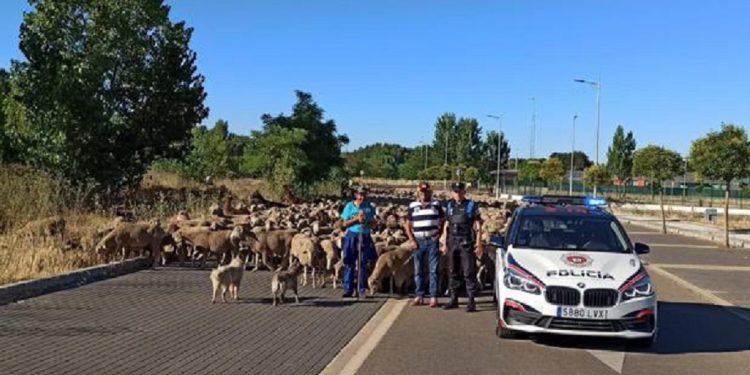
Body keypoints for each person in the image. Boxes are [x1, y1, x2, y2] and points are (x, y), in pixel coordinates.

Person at [441, 181, 483, 312]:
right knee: (453, 271)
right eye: (455, 191)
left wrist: (479, 243)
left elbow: (478, 226)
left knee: (468, 271)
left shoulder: (471, 205)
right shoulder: (449, 205)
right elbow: (446, 224)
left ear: (464, 192)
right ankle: (454, 298)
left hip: (466, 241)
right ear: (452, 193)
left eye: (459, 191)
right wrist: (443, 242)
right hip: (453, 241)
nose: (457, 194)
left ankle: (471, 300)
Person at [404, 182, 444, 308]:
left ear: (430, 193)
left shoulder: (436, 205)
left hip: (432, 240)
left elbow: (443, 221)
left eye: (426, 192)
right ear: (418, 193)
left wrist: (439, 234)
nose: (423, 194)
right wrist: (412, 239)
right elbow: (407, 224)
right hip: (418, 241)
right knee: (418, 270)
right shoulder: (412, 206)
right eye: (421, 192)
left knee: (433, 270)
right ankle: (419, 295)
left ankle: (433, 297)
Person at [339, 185, 378, 298]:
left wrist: (367, 222)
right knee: (349, 261)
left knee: (363, 262)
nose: (362, 197)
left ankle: (361, 288)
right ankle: (348, 289)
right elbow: (344, 223)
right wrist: (356, 219)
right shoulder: (349, 206)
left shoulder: (369, 207)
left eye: (364, 195)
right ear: (356, 195)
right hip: (352, 235)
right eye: (360, 194)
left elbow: (374, 223)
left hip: (364, 235)